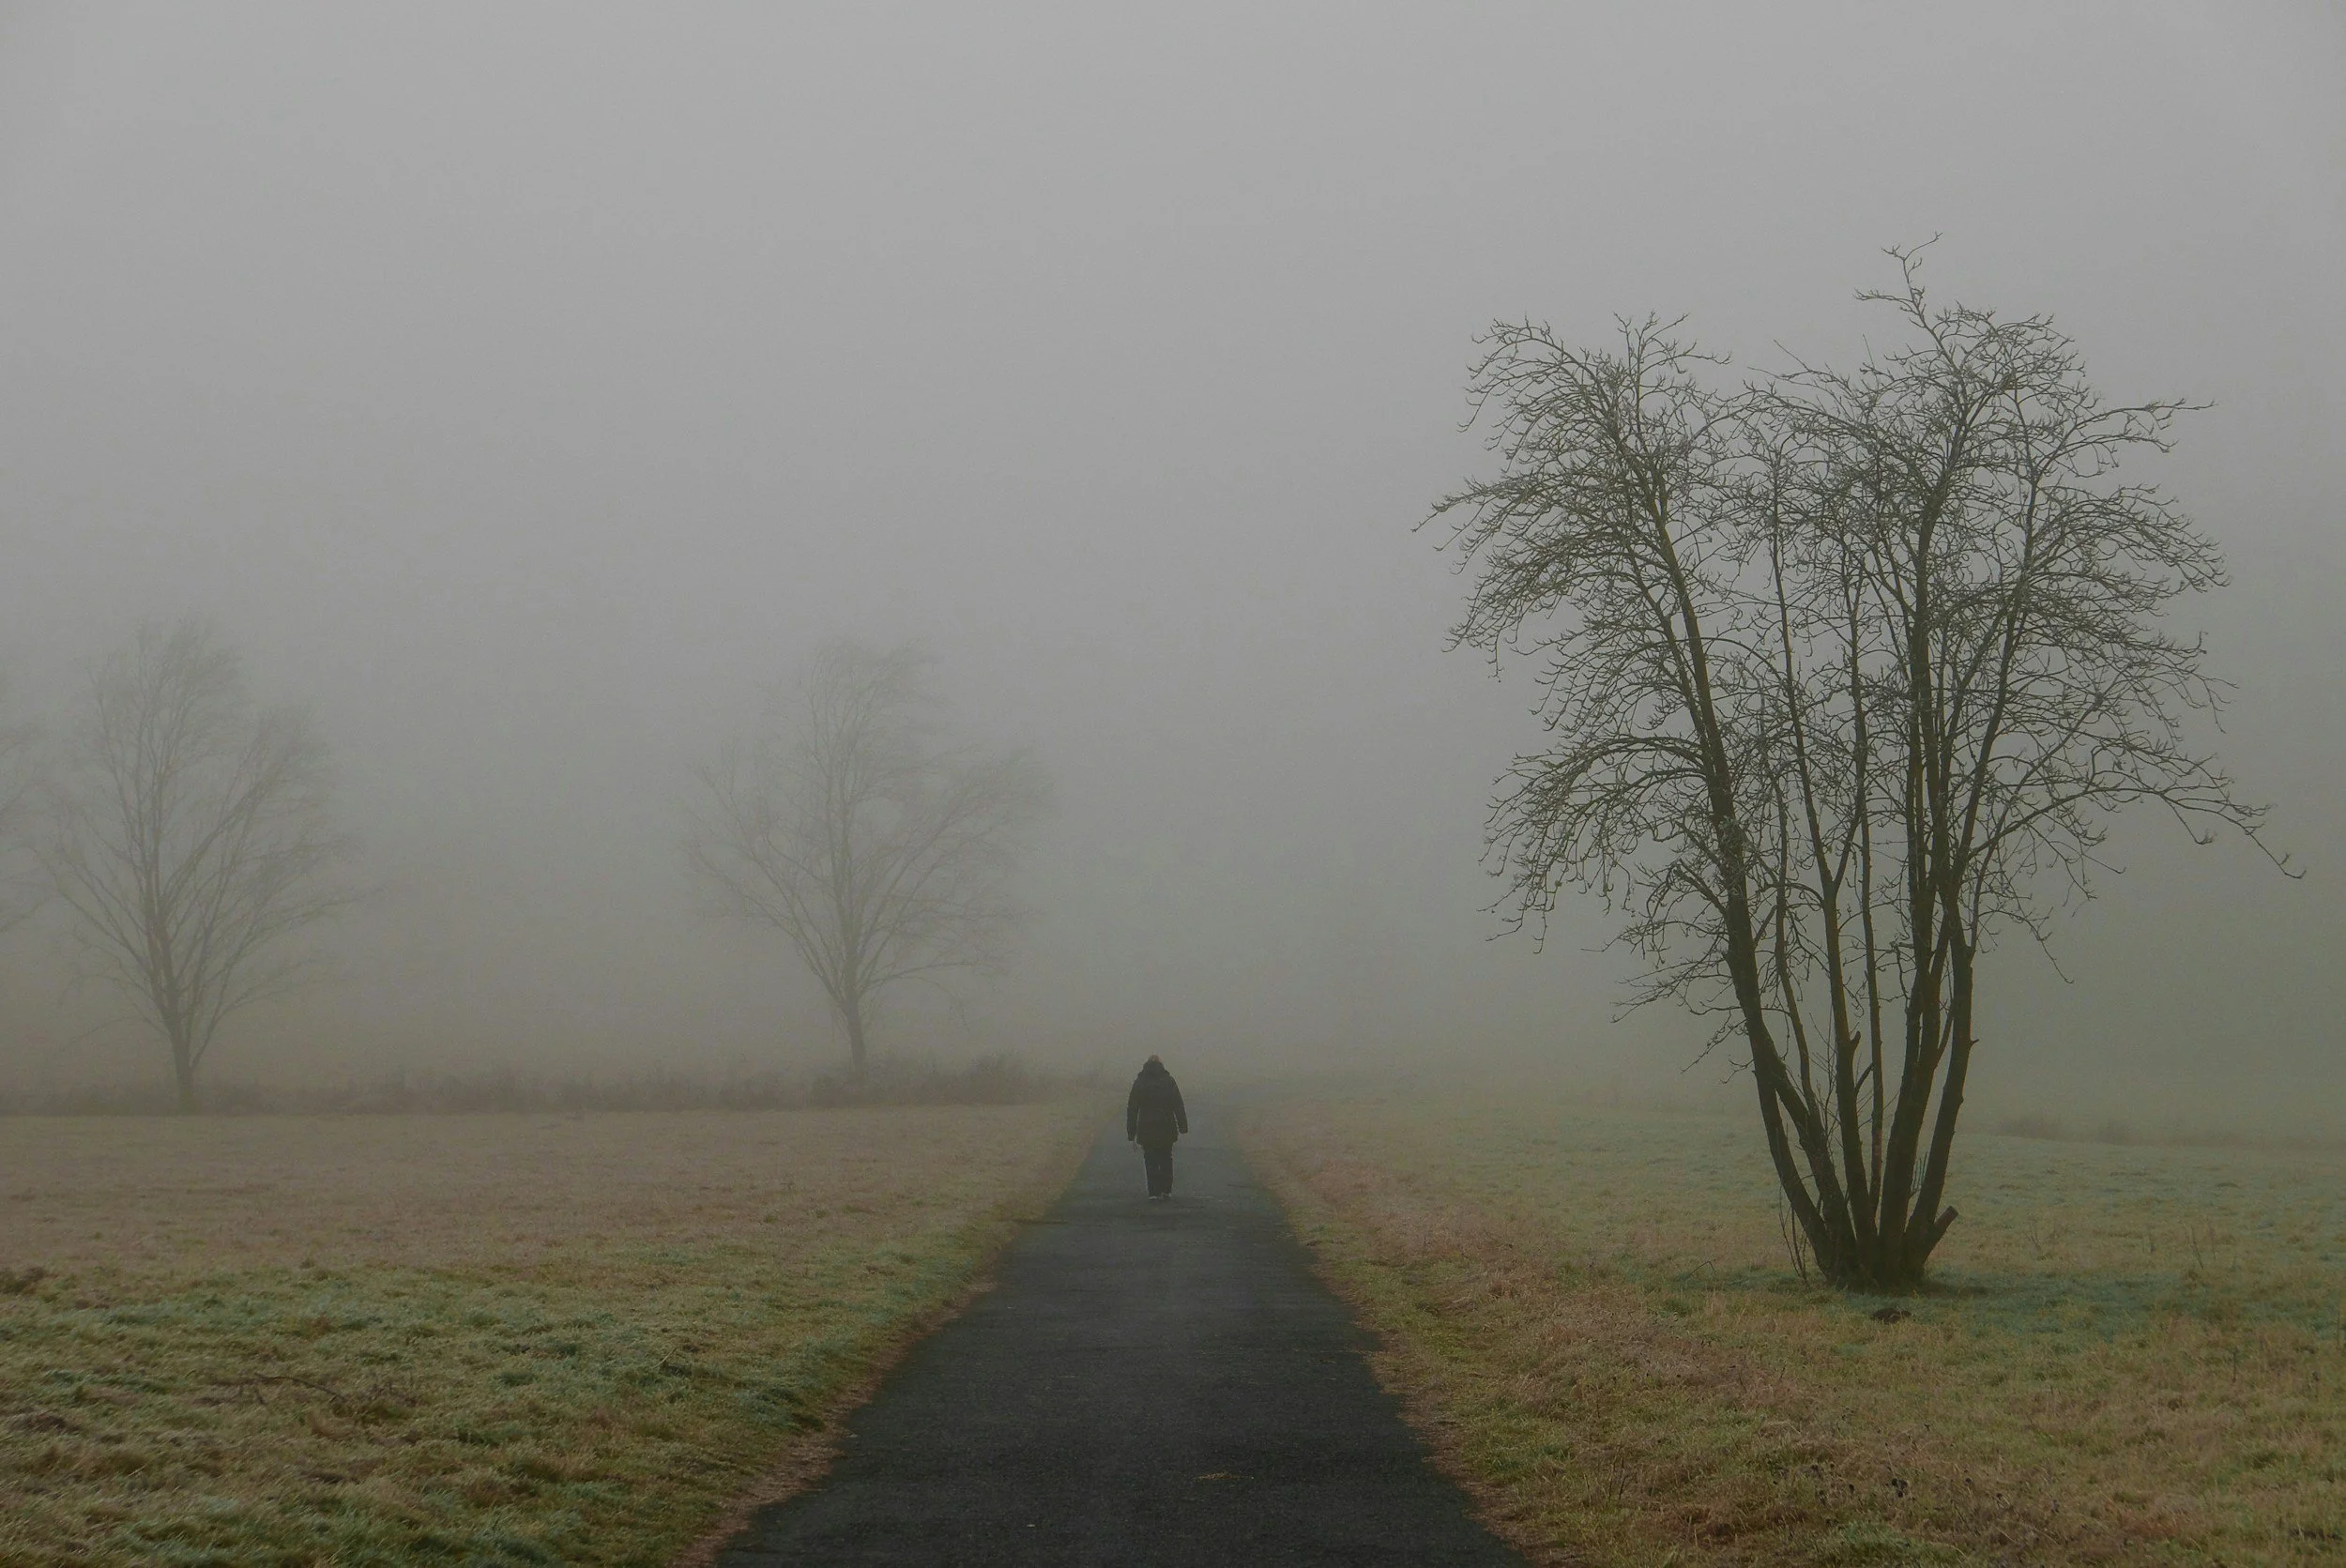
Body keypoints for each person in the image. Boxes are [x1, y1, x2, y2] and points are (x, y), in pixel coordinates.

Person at [1124, 1054, 1188, 1200]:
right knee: (1166, 1157)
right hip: (1167, 1126)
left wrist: (1131, 1132)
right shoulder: (1169, 1081)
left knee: (1150, 1159)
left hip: (1146, 1127)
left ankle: (1153, 1192)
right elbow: (1178, 1104)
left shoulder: (1140, 1082)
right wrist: (1183, 1126)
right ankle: (1166, 1190)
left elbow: (1132, 1108)